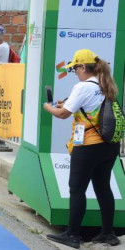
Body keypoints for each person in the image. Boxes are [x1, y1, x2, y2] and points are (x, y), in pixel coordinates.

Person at [44, 49, 120, 248]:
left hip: (88, 145)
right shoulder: (105, 85)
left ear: (83, 67)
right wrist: (66, 103)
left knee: (77, 189)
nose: (75, 72)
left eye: (75, 68)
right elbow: (86, 106)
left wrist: (49, 107)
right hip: (110, 145)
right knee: (103, 188)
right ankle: (107, 233)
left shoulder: (82, 86)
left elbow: (62, 114)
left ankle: (72, 235)